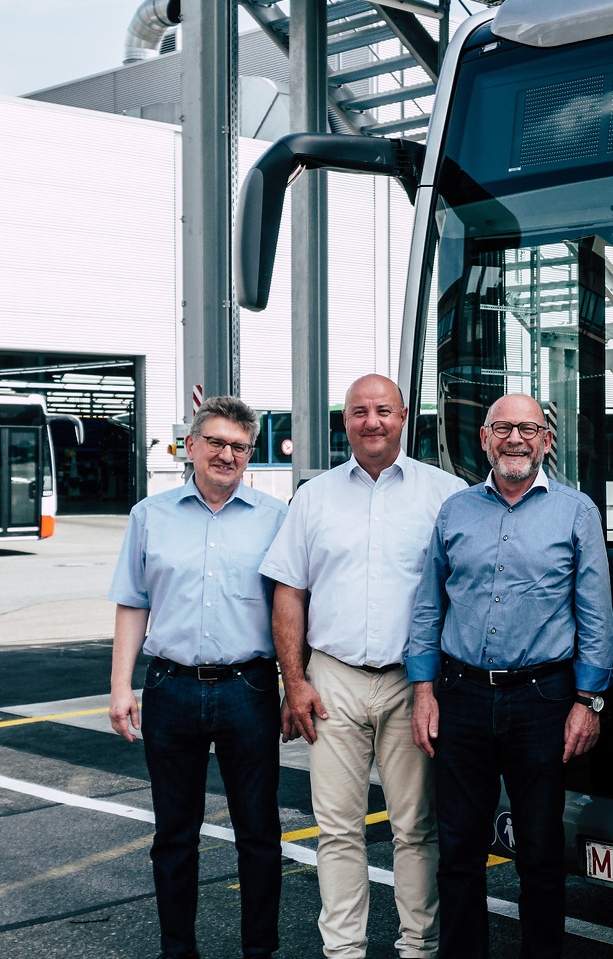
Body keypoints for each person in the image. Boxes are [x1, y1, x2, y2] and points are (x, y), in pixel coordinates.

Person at [261, 374, 467, 959]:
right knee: (338, 831)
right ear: (344, 421)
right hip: (332, 682)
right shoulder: (315, 497)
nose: (371, 422)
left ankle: (419, 947)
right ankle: (344, 951)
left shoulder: (445, 494)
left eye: (383, 411)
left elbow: (463, 589)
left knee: (416, 828)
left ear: (405, 417)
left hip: (413, 684)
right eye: (358, 412)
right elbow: (289, 594)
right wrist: (294, 682)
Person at [406, 393, 613, 959]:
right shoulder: (454, 512)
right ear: (484, 438)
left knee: (542, 853)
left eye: (528, 428)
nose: (515, 439)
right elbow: (429, 607)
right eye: (503, 429)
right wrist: (423, 690)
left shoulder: (577, 511)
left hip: (543, 701)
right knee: (459, 853)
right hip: (461, 695)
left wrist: (588, 700)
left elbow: (595, 612)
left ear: (547, 438)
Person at [107, 395, 289, 959]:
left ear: (249, 453)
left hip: (249, 688)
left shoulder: (276, 517)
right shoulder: (149, 516)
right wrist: (120, 687)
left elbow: (290, 608)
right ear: (190, 446)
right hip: (171, 688)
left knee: (259, 835)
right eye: (215, 442)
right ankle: (177, 950)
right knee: (174, 838)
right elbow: (132, 604)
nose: (226, 454)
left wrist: (294, 684)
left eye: (238, 446)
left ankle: (260, 950)